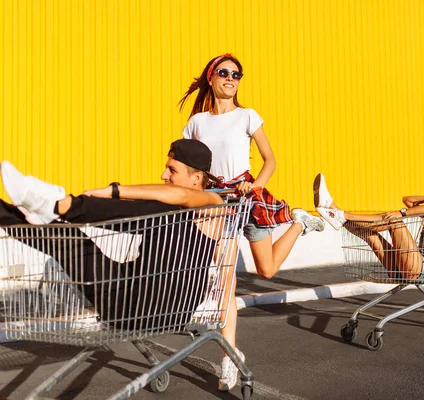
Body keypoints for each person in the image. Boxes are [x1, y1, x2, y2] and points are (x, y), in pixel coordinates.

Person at [179, 53, 325, 391]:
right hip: (218, 201)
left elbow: (270, 159)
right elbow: (188, 165)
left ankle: (299, 223)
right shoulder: (197, 122)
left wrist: (254, 185)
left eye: (237, 75)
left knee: (267, 270)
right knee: (225, 278)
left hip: (249, 196)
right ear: (211, 78)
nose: (232, 79)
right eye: (225, 73)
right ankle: (230, 357)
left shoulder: (247, 116)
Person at [0, 139, 229, 331]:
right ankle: (41, 208)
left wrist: (113, 191)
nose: (163, 174)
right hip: (127, 302)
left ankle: (60, 204)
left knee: (160, 209)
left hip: (165, 309)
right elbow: (175, 196)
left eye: (172, 170)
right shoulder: (167, 208)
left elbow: (180, 195)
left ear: (197, 178)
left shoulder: (214, 205)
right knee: (70, 240)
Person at [314, 173, 424, 281]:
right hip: (407, 264)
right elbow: (408, 200)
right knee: (369, 235)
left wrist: (402, 213)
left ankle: (341, 214)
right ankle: (335, 211)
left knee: (395, 221)